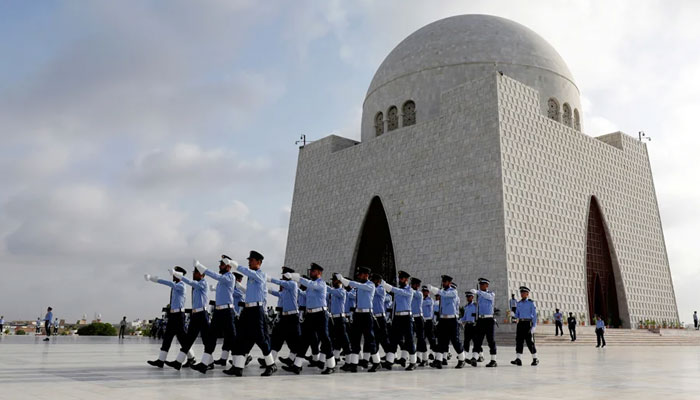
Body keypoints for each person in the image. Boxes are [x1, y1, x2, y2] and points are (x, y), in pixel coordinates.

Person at [228, 251, 277, 377]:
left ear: (259, 262)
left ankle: (271, 365)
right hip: (248, 310)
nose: (249, 262)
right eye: (249, 260)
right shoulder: (251, 277)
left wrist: (237, 266)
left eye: (252, 260)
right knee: (241, 337)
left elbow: (250, 273)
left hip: (256, 311)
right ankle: (238, 367)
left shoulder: (260, 275)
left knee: (260, 338)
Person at [283, 263, 336, 374]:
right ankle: (297, 365)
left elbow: (311, 285)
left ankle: (331, 365)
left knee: (325, 339)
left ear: (319, 273)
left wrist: (296, 277)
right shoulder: (310, 287)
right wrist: (295, 289)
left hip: (320, 314)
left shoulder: (321, 284)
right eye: (311, 271)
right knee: (304, 340)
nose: (311, 272)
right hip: (310, 315)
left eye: (313, 271)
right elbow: (304, 294)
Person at [191, 256, 238, 373]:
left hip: (227, 312)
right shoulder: (222, 280)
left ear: (228, 266)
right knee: (211, 338)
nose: (219, 266)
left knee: (232, 339)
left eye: (222, 264)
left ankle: (238, 366)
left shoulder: (230, 277)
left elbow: (215, 275)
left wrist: (201, 267)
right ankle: (204, 364)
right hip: (218, 312)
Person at [335, 267, 381, 372]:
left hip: (367, 314)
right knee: (355, 339)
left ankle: (377, 362)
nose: (359, 276)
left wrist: (343, 280)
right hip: (358, 314)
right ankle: (354, 364)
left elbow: (358, 285)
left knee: (370, 339)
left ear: (366, 275)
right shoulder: (360, 287)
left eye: (360, 274)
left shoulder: (370, 285)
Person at [165, 264, 210, 370]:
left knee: (206, 339)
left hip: (202, 314)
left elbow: (190, 282)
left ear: (201, 274)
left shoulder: (203, 283)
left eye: (195, 272)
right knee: (188, 339)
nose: (193, 274)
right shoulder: (196, 286)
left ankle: (208, 362)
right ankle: (178, 362)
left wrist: (178, 274)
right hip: (195, 315)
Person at [144, 267, 188, 367]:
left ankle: (191, 358)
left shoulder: (181, 285)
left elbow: (168, 283)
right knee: (167, 338)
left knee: (182, 339)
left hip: (179, 316)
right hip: (173, 315)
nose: (173, 276)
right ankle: (161, 360)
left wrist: (153, 279)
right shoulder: (176, 286)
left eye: (174, 274)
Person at [427, 275, 466, 369]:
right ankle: (439, 361)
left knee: (455, 341)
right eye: (443, 282)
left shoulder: (453, 292)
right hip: (443, 319)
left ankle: (462, 359)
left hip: (452, 320)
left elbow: (445, 294)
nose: (443, 283)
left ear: (449, 283)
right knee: (441, 340)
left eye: (445, 282)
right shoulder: (443, 293)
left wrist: (433, 289)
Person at [381, 270, 417, 371]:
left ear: (406, 279)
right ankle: (389, 362)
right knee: (393, 340)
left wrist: (387, 286)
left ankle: (413, 362)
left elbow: (398, 291)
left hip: (406, 317)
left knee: (409, 340)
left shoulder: (409, 290)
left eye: (401, 278)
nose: (400, 280)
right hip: (397, 318)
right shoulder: (398, 290)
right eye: (399, 278)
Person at [267, 267, 301, 368]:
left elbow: (281, 283)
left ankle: (294, 361)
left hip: (292, 316)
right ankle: (271, 361)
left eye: (284, 274)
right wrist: (267, 290)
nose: (282, 276)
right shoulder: (286, 289)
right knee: (277, 337)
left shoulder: (292, 284)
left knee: (294, 340)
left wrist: (270, 279)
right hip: (285, 317)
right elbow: (278, 293)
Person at [510, 286, 538, 366]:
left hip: (528, 323)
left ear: (527, 294)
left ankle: (535, 358)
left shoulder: (531, 303)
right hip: (521, 323)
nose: (522, 294)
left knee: (530, 342)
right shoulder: (518, 303)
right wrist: (514, 315)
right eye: (521, 292)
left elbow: (535, 315)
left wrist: (534, 326)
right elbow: (518, 315)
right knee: (519, 341)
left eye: (523, 293)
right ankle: (518, 359)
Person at [473, 277, 497, 367]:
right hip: (480, 320)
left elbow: (488, 297)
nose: (481, 286)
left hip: (489, 320)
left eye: (483, 284)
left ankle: (493, 360)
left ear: (487, 285)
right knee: (478, 340)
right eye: (480, 285)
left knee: (491, 340)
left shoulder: (491, 294)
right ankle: (474, 358)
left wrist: (478, 292)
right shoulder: (479, 296)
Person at [328, 274, 351, 365]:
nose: (333, 282)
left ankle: (349, 361)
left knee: (344, 340)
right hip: (334, 318)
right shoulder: (334, 292)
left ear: (339, 282)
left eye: (334, 280)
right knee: (336, 340)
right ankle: (336, 358)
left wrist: (323, 286)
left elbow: (332, 291)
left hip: (340, 318)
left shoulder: (342, 291)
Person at [371, 273, 391, 357]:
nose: (372, 282)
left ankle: (390, 356)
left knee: (384, 338)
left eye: (374, 280)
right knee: (375, 338)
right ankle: (376, 356)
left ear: (378, 281)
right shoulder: (374, 288)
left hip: (380, 317)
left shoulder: (381, 289)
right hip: (374, 316)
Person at [410, 277, 426, 366]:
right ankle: (416, 357)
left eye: (413, 284)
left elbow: (412, 292)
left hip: (419, 318)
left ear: (417, 286)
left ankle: (425, 358)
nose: (411, 286)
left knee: (421, 339)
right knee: (411, 338)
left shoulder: (419, 293)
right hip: (412, 318)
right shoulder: (412, 293)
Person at [460, 289, 478, 365]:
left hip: (474, 325)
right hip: (467, 325)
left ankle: (475, 358)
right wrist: (459, 320)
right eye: (467, 296)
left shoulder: (476, 306)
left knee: (476, 342)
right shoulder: (466, 307)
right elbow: (464, 317)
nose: (468, 298)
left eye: (469, 296)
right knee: (466, 341)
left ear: (473, 297)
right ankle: (465, 357)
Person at [420, 286, 436, 366]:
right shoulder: (421, 299)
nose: (424, 292)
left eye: (425, 291)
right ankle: (424, 359)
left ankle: (437, 358)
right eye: (423, 291)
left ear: (428, 292)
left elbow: (422, 304)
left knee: (432, 340)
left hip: (429, 322)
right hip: (423, 321)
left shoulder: (430, 300)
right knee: (422, 341)